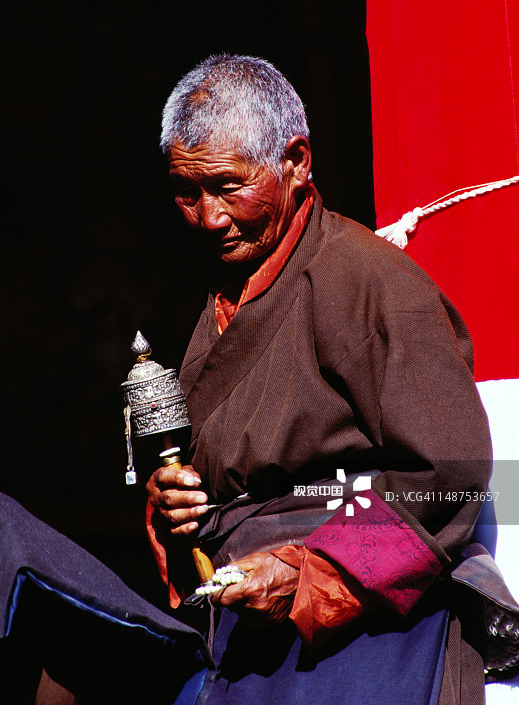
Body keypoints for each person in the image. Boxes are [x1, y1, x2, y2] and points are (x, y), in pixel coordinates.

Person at [146, 53, 519, 705]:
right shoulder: (219, 292)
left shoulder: (368, 284)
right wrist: (180, 500)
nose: (208, 217)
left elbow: (449, 469)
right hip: (243, 616)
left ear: (294, 161)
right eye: (186, 192)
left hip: (371, 626)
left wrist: (308, 570)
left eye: (228, 186)